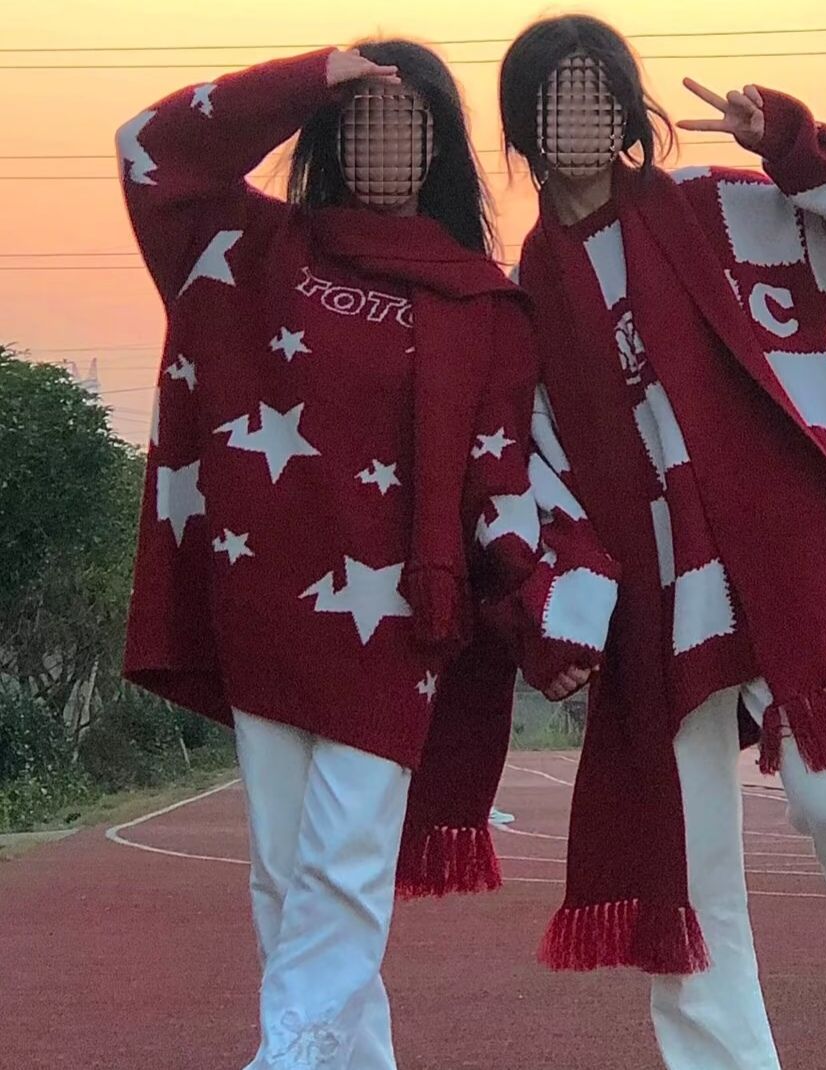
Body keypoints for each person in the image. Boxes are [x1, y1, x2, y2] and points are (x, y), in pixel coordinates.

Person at [499, 16, 826, 1069]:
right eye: (555, 96)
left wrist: (788, 142)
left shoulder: (709, 204)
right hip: (658, 589)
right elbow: (536, 451)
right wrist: (565, 598)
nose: (580, 116)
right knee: (687, 854)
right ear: (524, 124)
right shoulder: (533, 288)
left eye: (599, 92)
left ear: (628, 109)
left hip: (783, 549)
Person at [118, 41, 617, 1069]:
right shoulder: (249, 249)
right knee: (283, 870)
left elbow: (501, 479)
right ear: (328, 138)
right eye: (364, 121)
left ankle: (287, 1057)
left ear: (440, 148)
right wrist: (309, 77)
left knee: (345, 862)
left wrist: (544, 610)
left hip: (399, 627)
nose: (388, 142)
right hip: (265, 609)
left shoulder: (482, 304)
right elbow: (151, 150)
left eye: (409, 124)